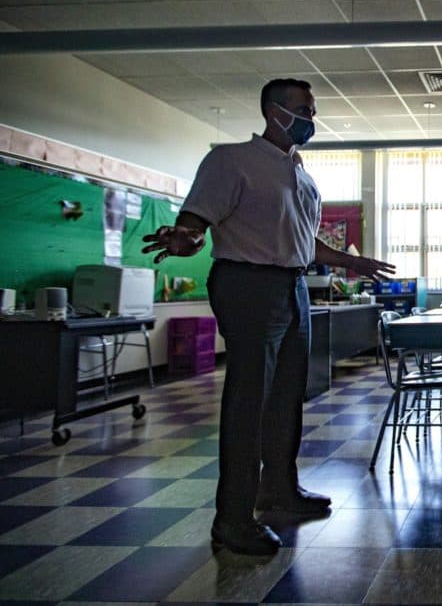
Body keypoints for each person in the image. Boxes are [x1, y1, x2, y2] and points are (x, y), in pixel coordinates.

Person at [142, 78, 395, 555]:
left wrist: (350, 262)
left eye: (313, 110)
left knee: (286, 396)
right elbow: (196, 224)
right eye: (304, 110)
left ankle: (278, 488)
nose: (310, 119)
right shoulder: (231, 160)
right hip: (248, 285)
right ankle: (233, 519)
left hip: (292, 286)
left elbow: (304, 243)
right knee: (248, 401)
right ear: (273, 112)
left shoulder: (301, 175)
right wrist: (184, 239)